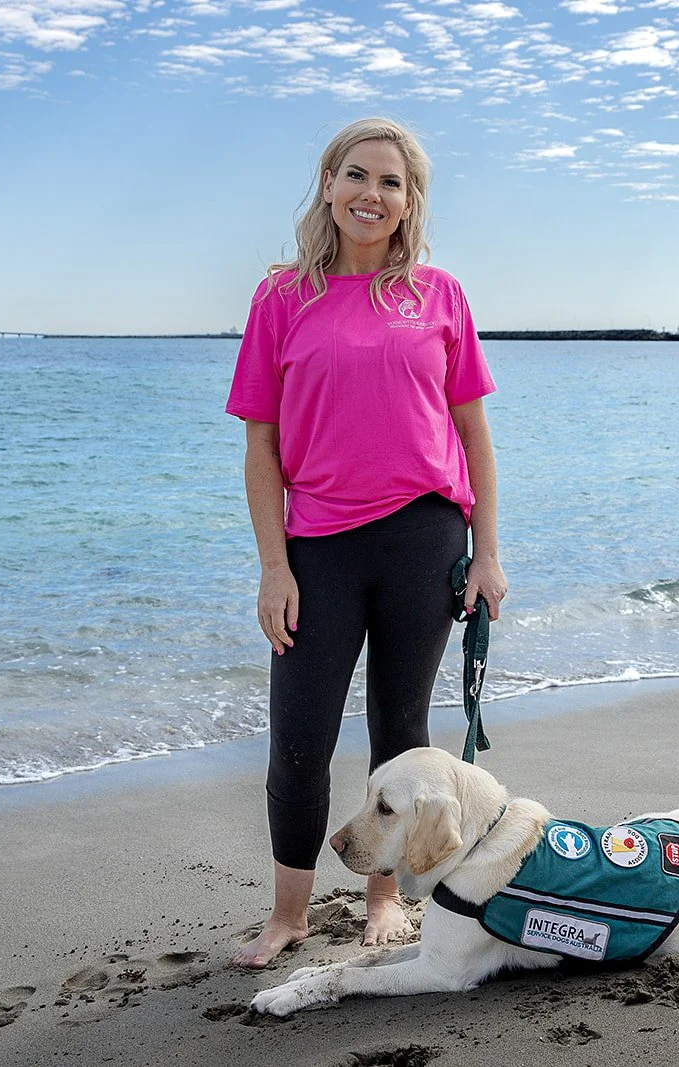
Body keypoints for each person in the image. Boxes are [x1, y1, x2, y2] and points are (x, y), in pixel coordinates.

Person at [224, 117, 508, 968]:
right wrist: (274, 567)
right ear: (328, 184)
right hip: (320, 548)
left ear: (409, 201)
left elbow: (475, 436)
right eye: (357, 176)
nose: (371, 195)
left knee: (400, 725)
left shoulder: (440, 295)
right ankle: (289, 914)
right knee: (300, 736)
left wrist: (486, 552)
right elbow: (262, 447)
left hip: (424, 536)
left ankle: (383, 898)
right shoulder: (281, 297)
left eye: (391, 183)